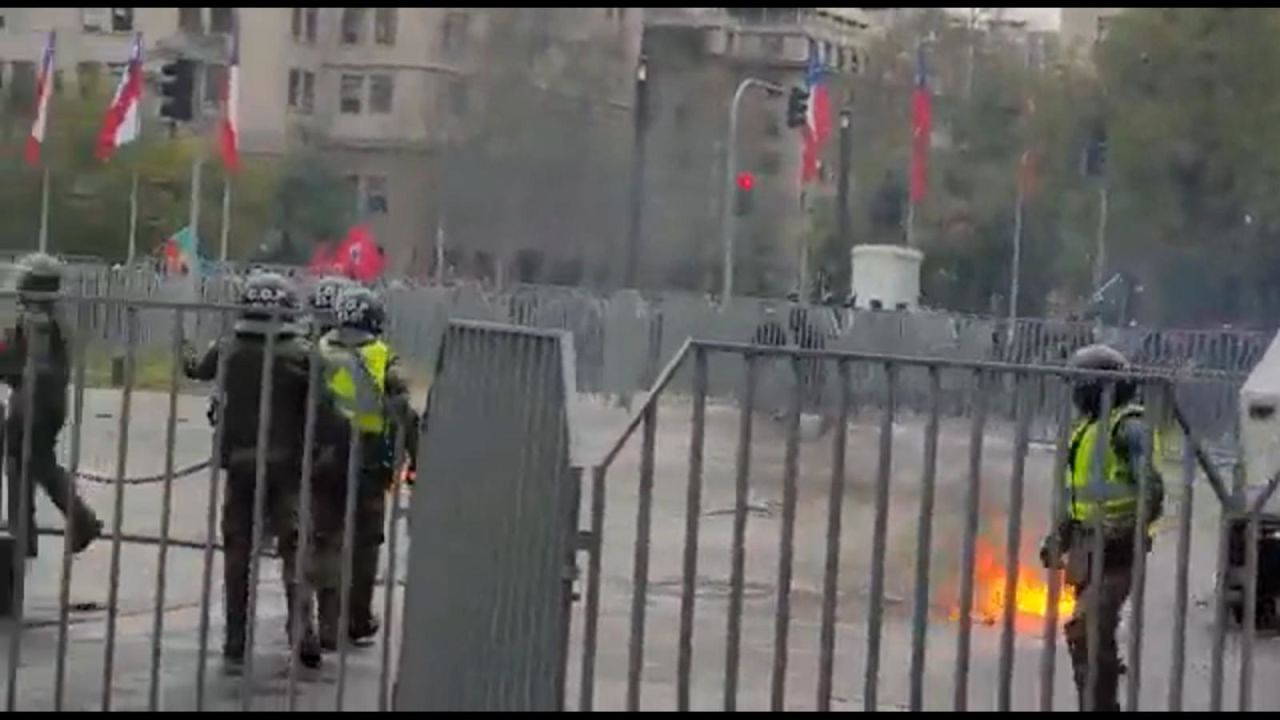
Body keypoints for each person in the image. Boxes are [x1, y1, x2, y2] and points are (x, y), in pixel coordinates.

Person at [184, 272, 323, 672]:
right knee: (295, 546)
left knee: (237, 549)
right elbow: (323, 405)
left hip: (241, 463)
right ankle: (303, 630)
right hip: (289, 464)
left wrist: (185, 354)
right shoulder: (303, 352)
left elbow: (199, 371)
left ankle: (235, 638)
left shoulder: (228, 347)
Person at [1040, 344, 1164, 712]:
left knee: (1086, 629)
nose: (1076, 393)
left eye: (1081, 384)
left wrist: (1125, 528)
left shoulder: (1129, 427)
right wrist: (1058, 538)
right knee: (1090, 638)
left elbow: (1152, 489)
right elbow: (1077, 497)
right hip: (1085, 551)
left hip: (1117, 553)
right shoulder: (1090, 430)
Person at [314, 285, 417, 651]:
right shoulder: (382, 356)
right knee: (364, 544)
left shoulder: (320, 349)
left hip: (320, 457)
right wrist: (415, 461)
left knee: (322, 538)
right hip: (369, 461)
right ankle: (356, 619)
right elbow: (403, 409)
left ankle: (323, 620)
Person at [0, 253, 101, 558]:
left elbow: (33, 364)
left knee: (37, 463)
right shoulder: (46, 316)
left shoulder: (39, 320)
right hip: (43, 400)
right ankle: (23, 534)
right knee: (23, 465)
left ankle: (81, 520)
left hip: (35, 401)